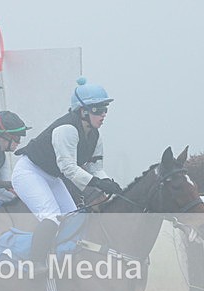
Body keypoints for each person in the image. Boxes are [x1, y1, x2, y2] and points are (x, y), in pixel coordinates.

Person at [12, 77, 123, 272]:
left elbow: (95, 167)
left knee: (74, 217)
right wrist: (97, 183)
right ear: (83, 111)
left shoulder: (95, 135)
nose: (103, 115)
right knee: (52, 217)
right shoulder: (67, 130)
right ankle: (35, 262)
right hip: (29, 173)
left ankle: (61, 256)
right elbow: (69, 169)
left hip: (51, 177)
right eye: (98, 110)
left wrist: (108, 182)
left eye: (105, 109)